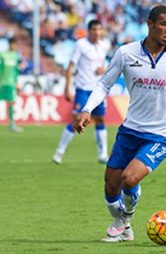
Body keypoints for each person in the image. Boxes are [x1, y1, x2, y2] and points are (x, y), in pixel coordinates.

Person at [73, 5, 166, 242]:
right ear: (149, 24)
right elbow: (105, 83)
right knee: (110, 186)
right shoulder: (126, 53)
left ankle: (125, 218)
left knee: (129, 178)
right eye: (164, 24)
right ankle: (125, 229)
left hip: (161, 135)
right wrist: (87, 109)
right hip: (130, 130)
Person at [52, 19, 111, 164]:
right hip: (83, 89)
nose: (97, 32)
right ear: (88, 31)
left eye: (99, 29)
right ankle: (59, 152)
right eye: (94, 30)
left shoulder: (105, 45)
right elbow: (71, 66)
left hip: (98, 90)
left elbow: (105, 64)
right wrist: (67, 87)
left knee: (100, 119)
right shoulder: (81, 45)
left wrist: (104, 69)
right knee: (77, 120)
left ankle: (102, 154)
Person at [0, 37, 23, 132]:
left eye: (16, 45)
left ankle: (12, 124)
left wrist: (17, 82)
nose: (15, 47)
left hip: (11, 83)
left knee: (11, 103)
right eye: (14, 45)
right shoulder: (3, 55)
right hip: (2, 83)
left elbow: (16, 71)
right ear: (10, 44)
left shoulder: (16, 56)